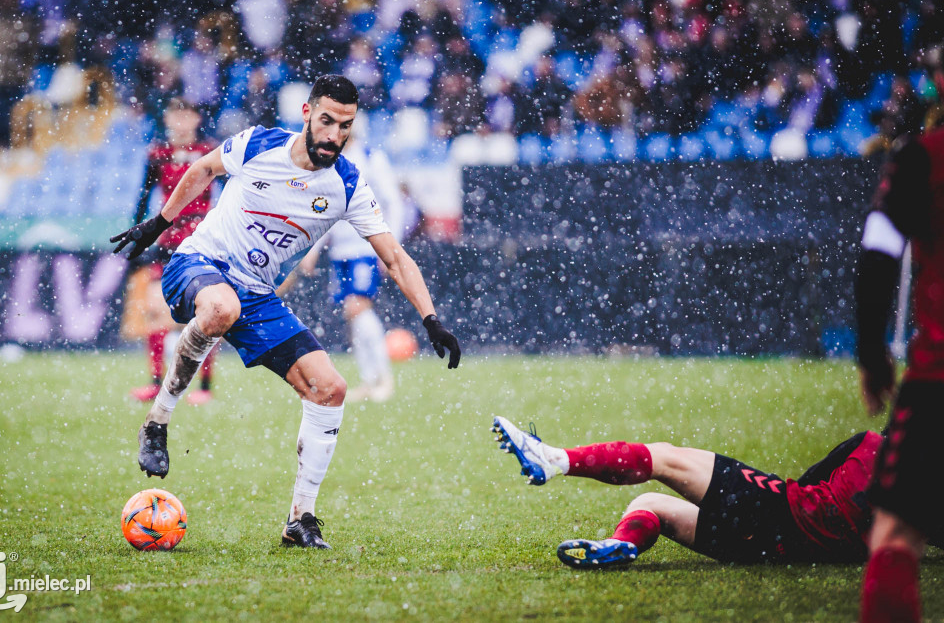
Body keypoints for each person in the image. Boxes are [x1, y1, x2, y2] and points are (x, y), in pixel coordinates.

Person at [111, 75, 461, 549]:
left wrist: (430, 318)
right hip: (199, 262)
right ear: (307, 114)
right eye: (327, 121)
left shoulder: (348, 185)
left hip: (256, 295)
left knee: (330, 389)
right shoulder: (258, 143)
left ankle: (301, 519)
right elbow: (204, 171)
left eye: (346, 125)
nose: (335, 135)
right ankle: (158, 421)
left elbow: (395, 257)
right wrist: (158, 223)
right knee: (220, 306)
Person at [491, 415, 938, 569]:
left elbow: (808, 483)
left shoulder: (873, 445)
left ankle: (556, 460)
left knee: (664, 458)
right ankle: (619, 545)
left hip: (782, 519)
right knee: (649, 505)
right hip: (787, 550)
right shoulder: (918, 502)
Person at [855, 123, 944, 622]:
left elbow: (879, 248)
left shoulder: (925, 155)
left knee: (893, 540)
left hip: (938, 378)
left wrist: (871, 352)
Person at [281, 130, 408, 402]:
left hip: (366, 246)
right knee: (353, 315)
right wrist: (312, 249)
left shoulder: (372, 158)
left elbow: (393, 202)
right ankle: (370, 380)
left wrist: (390, 246)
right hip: (341, 251)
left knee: (357, 306)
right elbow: (326, 210)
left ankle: (383, 378)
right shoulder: (329, 162)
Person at [126, 97, 217, 405]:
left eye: (186, 115)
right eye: (174, 116)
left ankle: (204, 387)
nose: (180, 122)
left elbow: (231, 192)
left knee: (207, 313)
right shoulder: (158, 154)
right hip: (167, 242)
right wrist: (136, 237)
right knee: (155, 310)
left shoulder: (209, 152)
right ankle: (155, 382)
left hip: (202, 242)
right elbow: (142, 198)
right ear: (166, 120)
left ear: (195, 119)